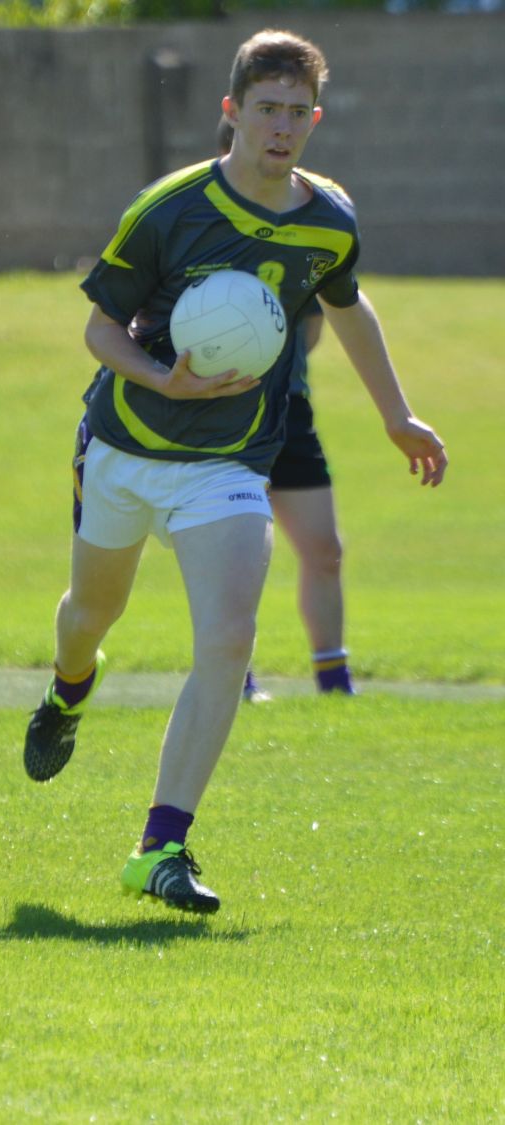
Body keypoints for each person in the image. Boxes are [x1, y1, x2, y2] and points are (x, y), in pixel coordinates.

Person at [23, 30, 447, 914]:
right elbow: (100, 330)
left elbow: (347, 301)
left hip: (229, 463)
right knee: (88, 614)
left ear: (314, 119)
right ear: (233, 112)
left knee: (226, 638)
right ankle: (70, 688)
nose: (282, 128)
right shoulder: (171, 208)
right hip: (125, 445)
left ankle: (160, 845)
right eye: (267, 110)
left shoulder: (328, 218)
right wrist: (159, 375)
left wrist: (396, 412)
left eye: (298, 113)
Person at [215, 117, 353, 702]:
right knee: (237, 555)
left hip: (289, 411)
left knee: (324, 548)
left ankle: (334, 681)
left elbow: (319, 324)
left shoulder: (309, 225)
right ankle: (235, 676)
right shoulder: (200, 224)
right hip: (220, 414)